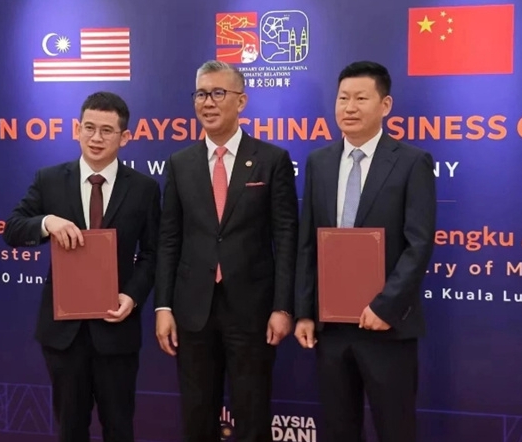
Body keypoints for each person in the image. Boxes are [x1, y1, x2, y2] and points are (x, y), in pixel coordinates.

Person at [2, 91, 161, 442]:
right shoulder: (49, 179)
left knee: (119, 428)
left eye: (106, 130)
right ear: (76, 130)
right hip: (64, 334)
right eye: (89, 128)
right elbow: (12, 229)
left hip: (117, 330)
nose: (96, 138)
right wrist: (46, 222)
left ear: (125, 137)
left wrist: (133, 296)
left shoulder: (144, 189)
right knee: (70, 429)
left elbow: (154, 253)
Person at [154, 60, 298, 442]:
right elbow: (169, 239)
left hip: (252, 309)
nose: (208, 102)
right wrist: (163, 307)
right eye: (201, 94)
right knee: (197, 416)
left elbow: (286, 239)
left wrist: (283, 307)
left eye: (219, 93)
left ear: (241, 101)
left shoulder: (271, 160)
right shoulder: (180, 164)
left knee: (252, 416)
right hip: (192, 310)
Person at [294, 61, 437, 442]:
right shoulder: (319, 162)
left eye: (361, 98)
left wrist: (385, 306)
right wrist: (305, 311)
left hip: (388, 327)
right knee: (338, 428)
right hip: (332, 329)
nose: (350, 107)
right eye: (343, 98)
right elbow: (308, 242)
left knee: (395, 428)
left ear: (385, 105)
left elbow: (419, 244)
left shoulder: (412, 162)